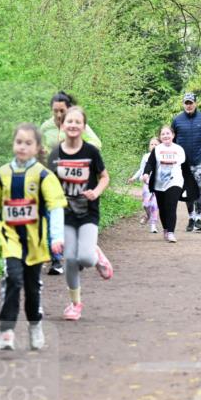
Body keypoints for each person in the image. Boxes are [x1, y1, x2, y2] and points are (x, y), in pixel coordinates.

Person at [0, 123, 67, 350]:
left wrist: (57, 237)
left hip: (36, 242)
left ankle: (34, 325)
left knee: (32, 288)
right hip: (10, 237)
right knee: (12, 278)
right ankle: (7, 330)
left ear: (37, 147)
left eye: (28, 143)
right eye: (18, 142)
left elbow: (56, 207)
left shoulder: (44, 176)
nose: (22, 147)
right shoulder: (2, 174)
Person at [46, 106, 113, 321]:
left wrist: (96, 191)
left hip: (87, 212)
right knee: (71, 260)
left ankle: (97, 257)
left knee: (84, 256)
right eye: (69, 121)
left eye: (78, 122)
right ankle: (75, 304)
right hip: (65, 214)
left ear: (84, 126)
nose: (73, 125)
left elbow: (104, 177)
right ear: (62, 125)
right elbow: (48, 183)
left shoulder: (91, 152)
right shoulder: (55, 154)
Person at [41, 91, 101, 275]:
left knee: (76, 218)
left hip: (78, 181)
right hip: (53, 178)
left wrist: (73, 143)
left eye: (62, 111)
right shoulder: (45, 127)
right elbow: (37, 146)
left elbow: (97, 144)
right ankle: (56, 260)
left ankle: (83, 252)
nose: (58, 115)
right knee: (53, 217)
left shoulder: (78, 125)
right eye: (55, 111)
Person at [141, 125, 198, 243]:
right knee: (162, 208)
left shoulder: (179, 149)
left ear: (173, 135)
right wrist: (146, 173)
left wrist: (189, 184)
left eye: (168, 133)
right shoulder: (157, 149)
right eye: (163, 134)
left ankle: (171, 232)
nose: (166, 136)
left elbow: (185, 168)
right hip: (159, 183)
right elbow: (150, 164)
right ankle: (166, 229)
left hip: (175, 181)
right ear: (160, 137)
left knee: (171, 206)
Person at [170, 92, 201, 233]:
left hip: (200, 161)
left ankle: (198, 218)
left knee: (199, 189)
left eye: (191, 102)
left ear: (196, 103)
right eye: (186, 103)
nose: (189, 105)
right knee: (187, 190)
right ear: (183, 104)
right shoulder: (177, 120)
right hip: (183, 162)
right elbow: (171, 138)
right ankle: (191, 217)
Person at [130, 137, 161, 234]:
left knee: (155, 205)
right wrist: (134, 177)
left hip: (158, 184)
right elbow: (141, 169)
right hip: (147, 184)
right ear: (149, 146)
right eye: (152, 144)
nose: (153, 146)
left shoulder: (162, 156)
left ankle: (153, 225)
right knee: (146, 204)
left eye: (156, 144)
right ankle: (148, 215)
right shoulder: (145, 156)